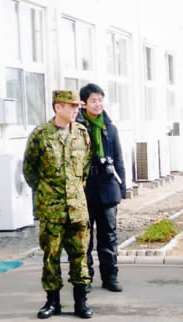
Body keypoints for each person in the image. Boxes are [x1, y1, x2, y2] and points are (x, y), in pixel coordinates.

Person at [23, 90, 93, 319]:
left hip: (77, 208)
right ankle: (52, 302)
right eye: (71, 106)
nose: (76, 110)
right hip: (51, 208)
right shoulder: (40, 135)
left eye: (77, 107)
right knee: (51, 257)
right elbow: (29, 170)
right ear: (57, 107)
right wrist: (47, 192)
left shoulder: (82, 134)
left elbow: (85, 170)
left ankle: (81, 303)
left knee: (79, 256)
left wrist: (74, 190)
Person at [77, 83, 126, 292]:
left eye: (100, 100)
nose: (98, 104)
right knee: (84, 238)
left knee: (108, 235)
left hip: (107, 187)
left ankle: (110, 277)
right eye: (93, 101)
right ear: (84, 103)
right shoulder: (77, 127)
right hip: (85, 188)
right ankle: (84, 278)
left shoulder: (109, 127)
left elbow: (119, 159)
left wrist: (121, 187)